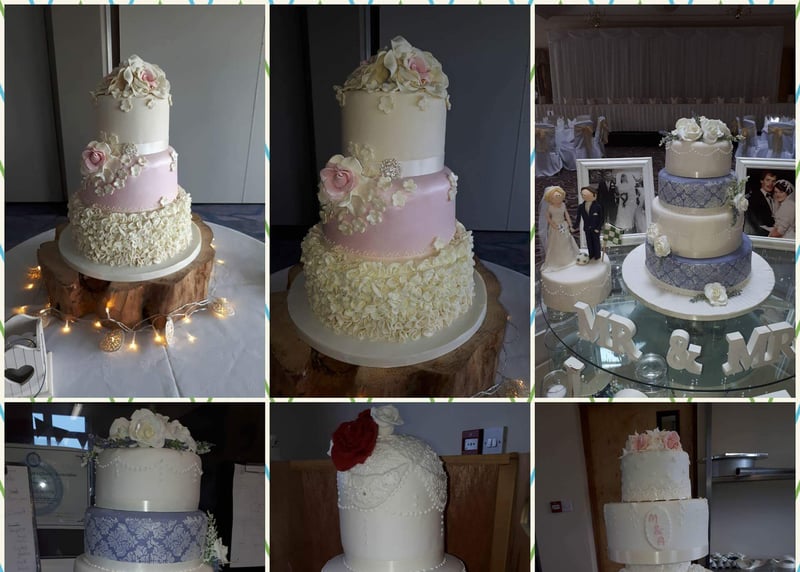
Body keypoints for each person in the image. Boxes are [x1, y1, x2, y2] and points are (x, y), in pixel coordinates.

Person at [539, 186, 579, 271]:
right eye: (556, 197)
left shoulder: (563, 205)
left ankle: (568, 258)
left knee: (566, 241)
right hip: (555, 227)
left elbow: (567, 215)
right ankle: (558, 261)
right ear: (551, 198)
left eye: (560, 196)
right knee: (556, 243)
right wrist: (553, 225)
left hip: (563, 224)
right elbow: (548, 218)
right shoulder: (550, 207)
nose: (559, 198)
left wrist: (570, 225)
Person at [575, 186, 604, 260]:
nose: (584, 196)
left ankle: (597, 256)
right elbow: (578, 218)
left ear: (594, 195)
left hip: (595, 229)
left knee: (596, 242)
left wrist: (598, 228)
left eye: (587, 195)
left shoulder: (598, 206)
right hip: (587, 228)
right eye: (583, 195)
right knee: (589, 242)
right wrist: (574, 227)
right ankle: (591, 255)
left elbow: (601, 218)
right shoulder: (581, 206)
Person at [746, 170, 777, 236]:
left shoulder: (776, 197)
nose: (770, 184)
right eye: (768, 180)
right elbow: (753, 221)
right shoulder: (754, 197)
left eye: (773, 181)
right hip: (761, 234)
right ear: (761, 181)